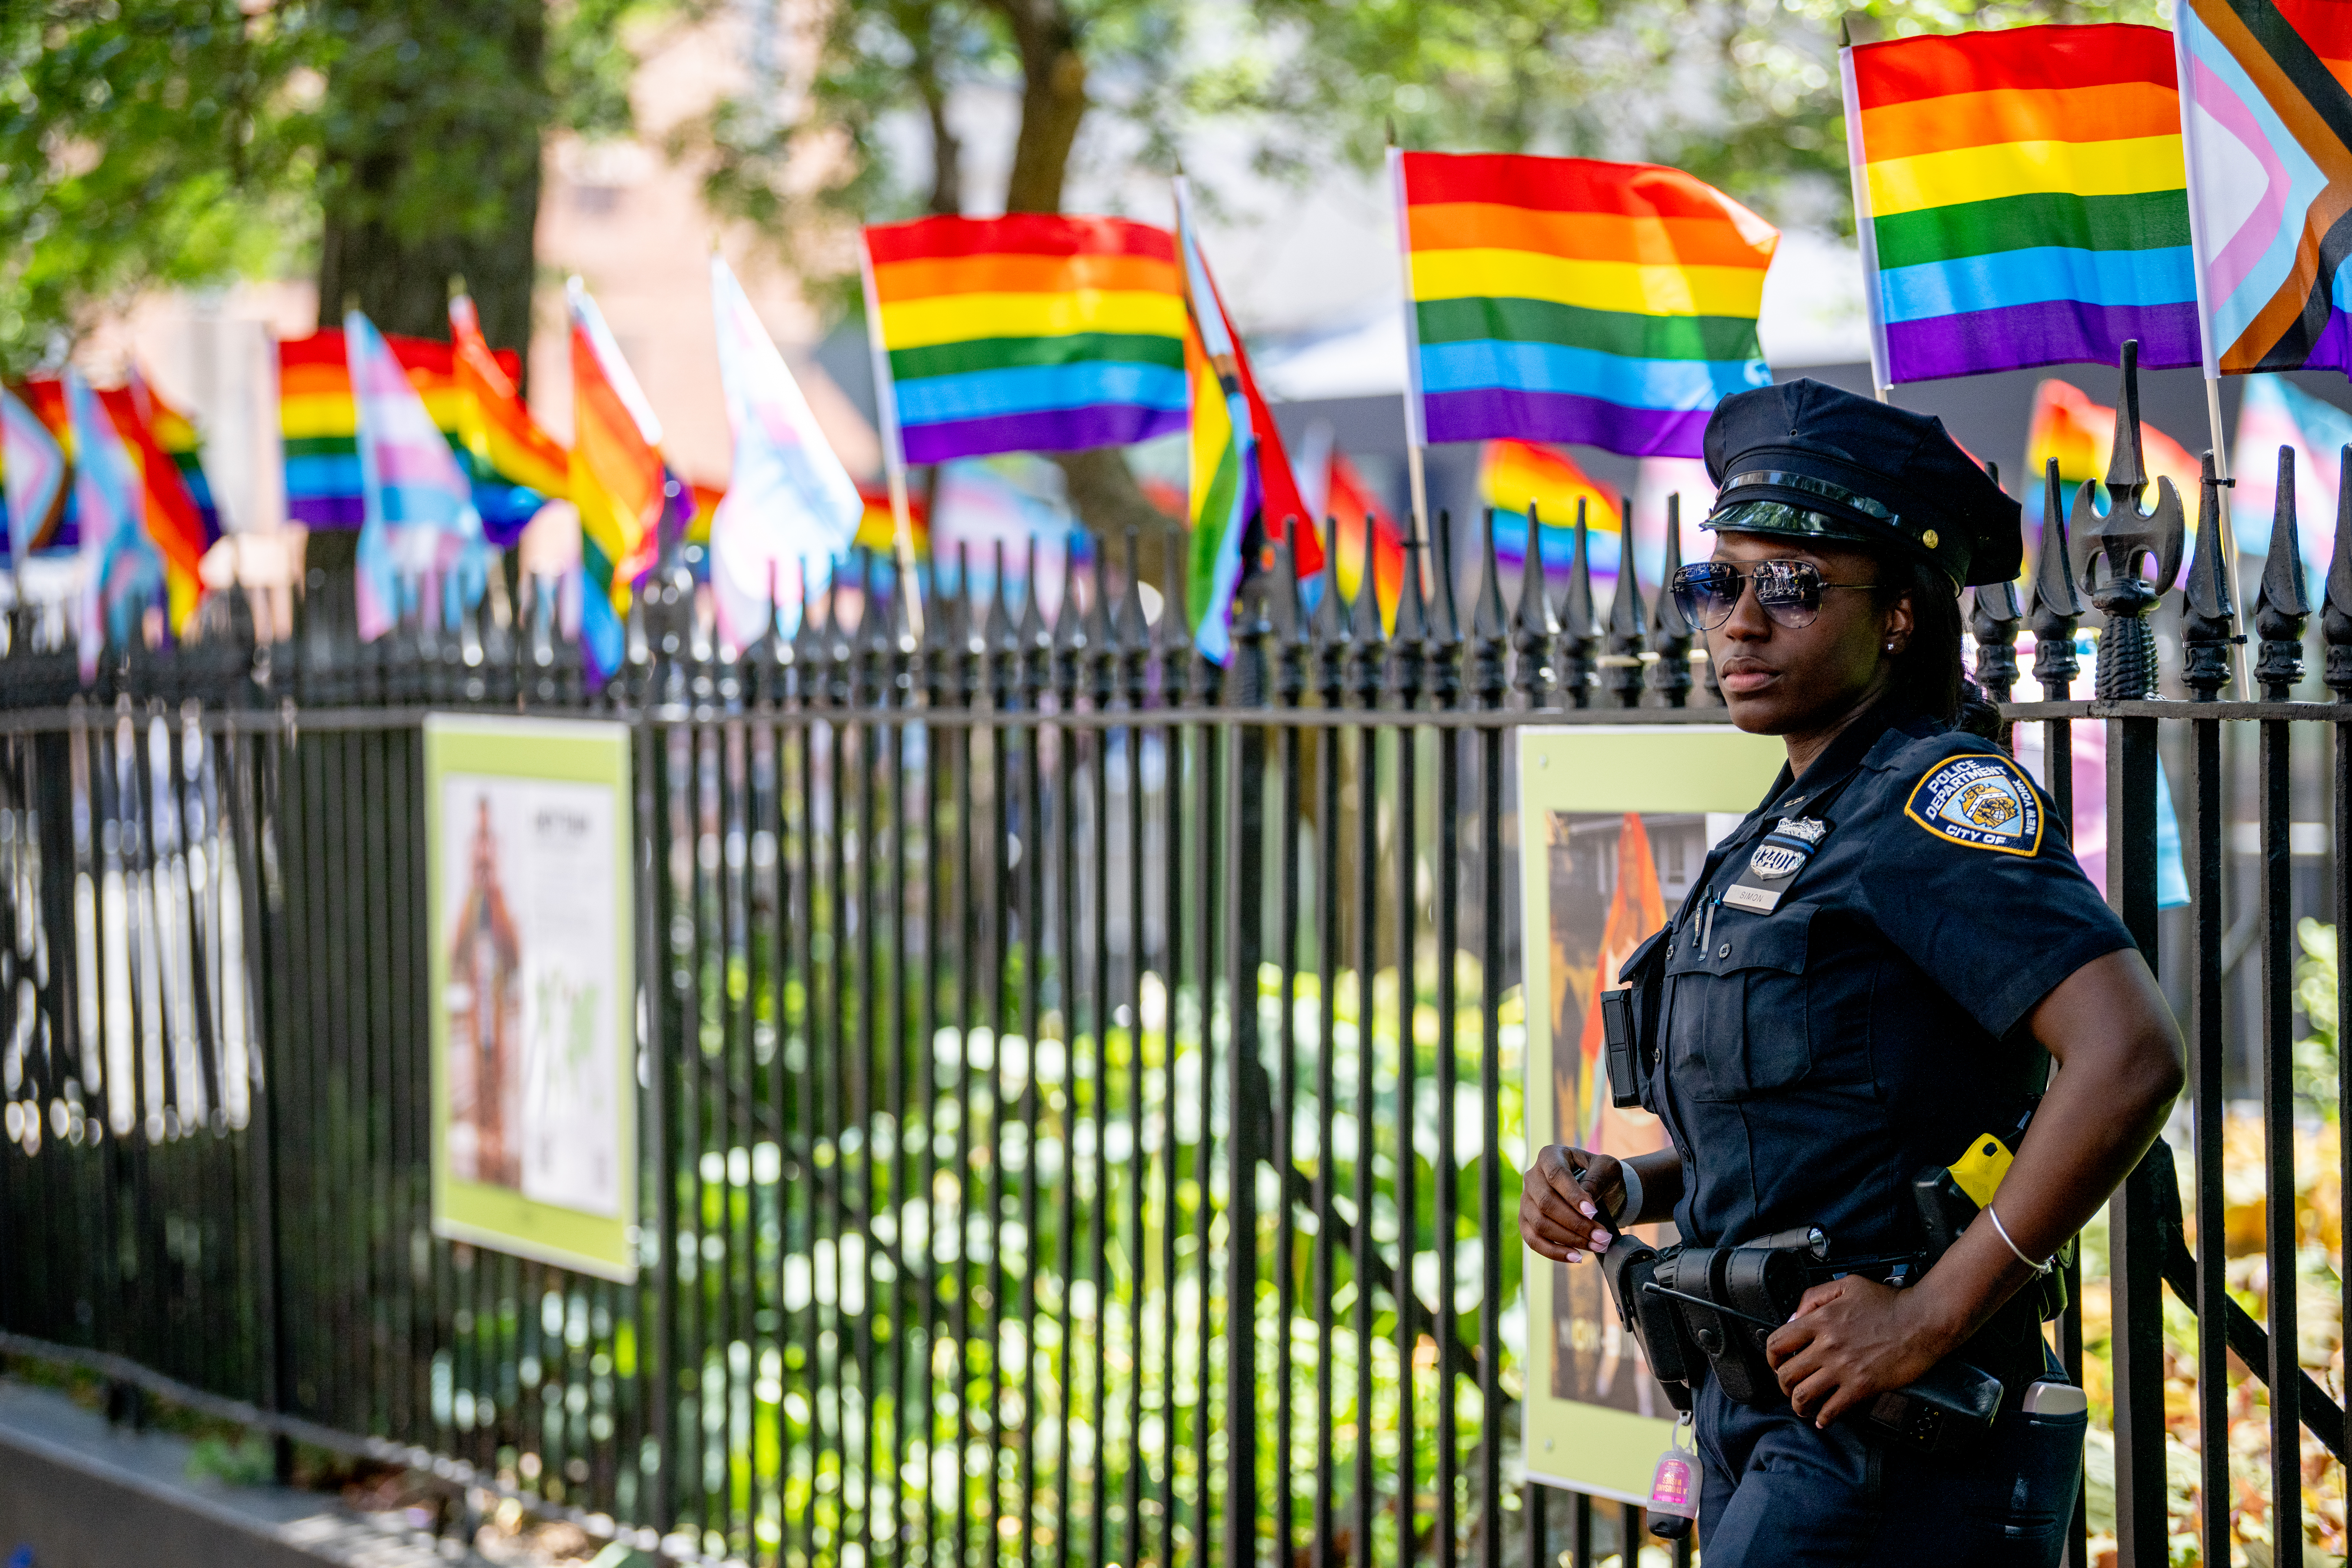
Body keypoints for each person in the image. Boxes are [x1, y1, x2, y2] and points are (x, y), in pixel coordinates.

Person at [1517, 379, 2184, 1565]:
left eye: (1792, 586)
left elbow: (2131, 1054)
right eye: (1717, 582)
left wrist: (1931, 1311)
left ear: (1900, 619)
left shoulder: (1928, 805)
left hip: (1890, 1450)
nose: (1739, 621)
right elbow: (1831, 1122)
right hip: (1760, 1416)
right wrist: (1630, 1184)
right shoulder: (1792, 820)